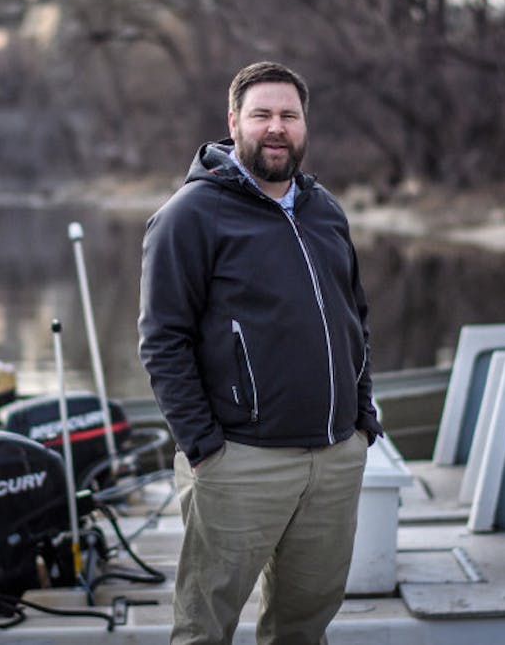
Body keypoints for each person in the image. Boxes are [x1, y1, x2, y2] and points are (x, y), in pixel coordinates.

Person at [138, 61, 383, 645]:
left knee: (304, 625)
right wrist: (203, 446)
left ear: (304, 126)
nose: (276, 128)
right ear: (233, 122)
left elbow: (356, 320)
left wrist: (361, 422)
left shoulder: (326, 211)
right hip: (238, 462)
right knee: (205, 629)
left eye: (288, 116)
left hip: (333, 459)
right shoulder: (189, 216)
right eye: (262, 115)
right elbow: (162, 341)